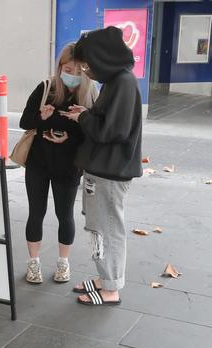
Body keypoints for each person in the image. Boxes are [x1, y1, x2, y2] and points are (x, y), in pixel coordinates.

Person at [61, 26, 143, 306]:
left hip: (110, 171)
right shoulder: (116, 81)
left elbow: (112, 131)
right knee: (100, 227)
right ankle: (105, 277)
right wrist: (86, 114)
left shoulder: (122, 83)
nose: (86, 71)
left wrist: (83, 118)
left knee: (107, 229)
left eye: (87, 64)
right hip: (104, 169)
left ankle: (110, 288)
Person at [19, 43, 98, 285]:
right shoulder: (46, 87)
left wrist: (69, 136)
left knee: (65, 215)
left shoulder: (90, 92)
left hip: (69, 166)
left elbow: (93, 132)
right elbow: (25, 121)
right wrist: (42, 121)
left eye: (78, 71)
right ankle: (34, 263)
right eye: (67, 69)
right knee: (36, 212)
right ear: (59, 67)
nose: (72, 75)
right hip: (39, 162)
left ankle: (64, 264)